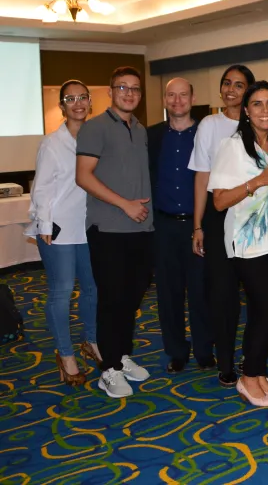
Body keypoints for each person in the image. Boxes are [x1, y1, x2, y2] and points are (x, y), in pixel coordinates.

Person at [208, 80, 268, 407]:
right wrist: (257, 181)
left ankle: (258, 375)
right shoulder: (232, 146)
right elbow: (219, 201)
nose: (265, 110)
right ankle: (248, 377)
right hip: (246, 242)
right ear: (246, 110)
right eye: (257, 104)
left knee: (264, 312)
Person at [75, 67, 153, 398]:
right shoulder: (94, 128)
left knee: (132, 298)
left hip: (141, 229)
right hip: (108, 229)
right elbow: (83, 176)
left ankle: (120, 355)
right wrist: (125, 205)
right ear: (110, 91)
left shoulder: (141, 129)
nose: (129, 93)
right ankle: (108, 368)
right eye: (123, 87)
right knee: (112, 299)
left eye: (135, 88)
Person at [25, 80, 100, 386]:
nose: (78, 103)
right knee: (62, 291)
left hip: (88, 226)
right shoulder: (52, 143)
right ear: (62, 106)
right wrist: (44, 223)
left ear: (90, 102)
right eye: (71, 99)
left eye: (83, 97)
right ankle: (66, 355)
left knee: (94, 288)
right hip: (57, 229)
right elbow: (41, 187)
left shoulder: (97, 136)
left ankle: (92, 341)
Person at [189, 64, 254, 388]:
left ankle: (253, 357)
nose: (231, 89)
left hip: (254, 216)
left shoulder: (260, 122)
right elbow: (202, 177)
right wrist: (197, 226)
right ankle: (226, 363)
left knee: (257, 293)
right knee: (223, 294)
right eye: (227, 83)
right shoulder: (210, 124)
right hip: (218, 216)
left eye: (238, 85)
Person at [147, 78, 214, 373]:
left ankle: (204, 350)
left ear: (193, 98)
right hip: (163, 227)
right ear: (164, 99)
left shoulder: (206, 134)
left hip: (198, 226)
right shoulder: (151, 136)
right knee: (168, 293)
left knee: (201, 292)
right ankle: (176, 352)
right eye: (171, 95)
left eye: (183, 95)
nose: (177, 101)